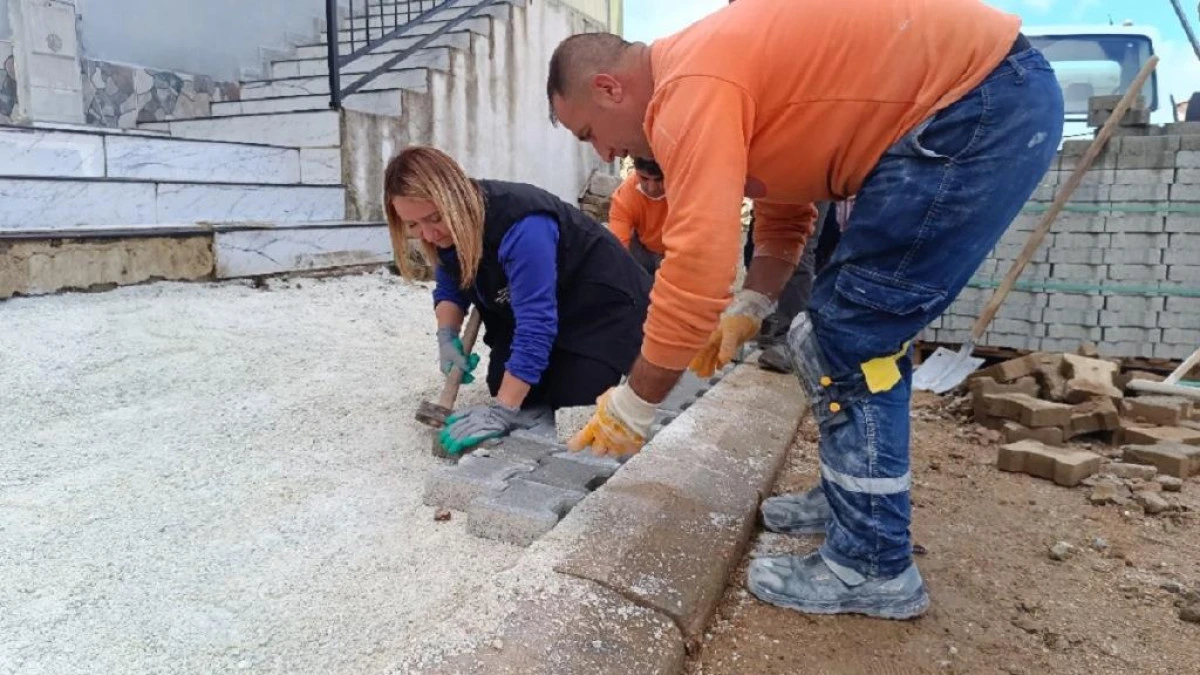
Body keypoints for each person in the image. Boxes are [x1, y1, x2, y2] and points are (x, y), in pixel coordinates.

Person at [546, 0, 1063, 620]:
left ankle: (874, 564)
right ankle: (855, 502)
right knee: (849, 332)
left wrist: (636, 402)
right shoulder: (708, 78)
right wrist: (752, 303)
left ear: (609, 88)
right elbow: (785, 206)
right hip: (972, 99)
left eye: (588, 134)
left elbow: (697, 262)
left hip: (971, 107)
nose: (604, 155)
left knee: (847, 337)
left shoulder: (687, 86)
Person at [385, 146, 652, 455]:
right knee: (504, 384)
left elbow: (536, 323)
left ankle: (632, 358)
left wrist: (502, 411)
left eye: (434, 218)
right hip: (547, 307)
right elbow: (450, 286)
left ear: (454, 198)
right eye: (413, 225)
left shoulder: (523, 225)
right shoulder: (446, 232)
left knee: (574, 396)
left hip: (602, 307)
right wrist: (447, 336)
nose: (428, 235)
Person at [608, 157, 668, 276]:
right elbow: (617, 248)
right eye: (644, 178)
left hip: (676, 253)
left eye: (659, 180)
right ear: (636, 172)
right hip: (641, 249)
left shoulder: (686, 191)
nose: (652, 188)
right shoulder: (624, 197)